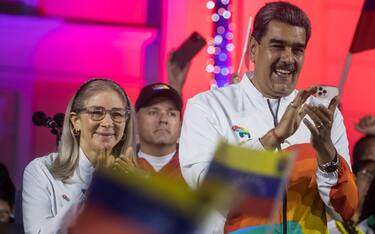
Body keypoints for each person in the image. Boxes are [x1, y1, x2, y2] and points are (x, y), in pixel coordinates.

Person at [179, 1, 358, 233]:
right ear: (254, 48)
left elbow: (346, 209)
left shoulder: (323, 117)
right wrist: (271, 139)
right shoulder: (208, 108)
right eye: (277, 46)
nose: (288, 58)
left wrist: (327, 153)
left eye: (297, 49)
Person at [22, 78, 136, 234]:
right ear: (76, 121)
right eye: (97, 113)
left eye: (117, 114)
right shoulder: (41, 170)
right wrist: (96, 190)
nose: (108, 122)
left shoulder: (137, 179)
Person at [135, 83, 186, 184]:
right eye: (153, 112)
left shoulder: (194, 168)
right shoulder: (118, 169)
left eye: (172, 114)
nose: (163, 120)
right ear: (135, 121)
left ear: (180, 125)